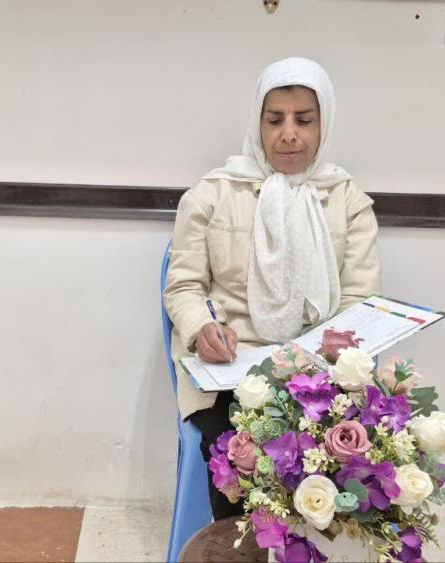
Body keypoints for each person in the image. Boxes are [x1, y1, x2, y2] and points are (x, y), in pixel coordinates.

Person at [162, 57, 382, 520]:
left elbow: (358, 301)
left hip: (319, 368)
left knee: (349, 444)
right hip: (229, 370)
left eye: (304, 120)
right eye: (275, 119)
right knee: (239, 449)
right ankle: (241, 543)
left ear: (324, 124)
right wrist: (202, 327)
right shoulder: (213, 194)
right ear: (257, 123)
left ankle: (318, 545)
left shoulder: (346, 199)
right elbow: (184, 286)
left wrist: (329, 350)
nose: (289, 134)